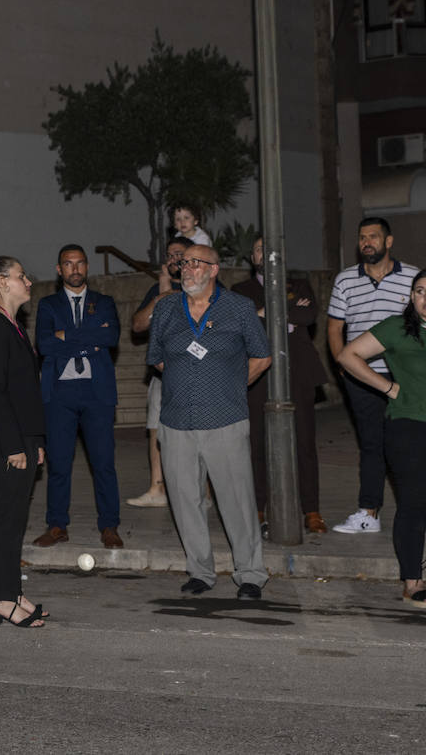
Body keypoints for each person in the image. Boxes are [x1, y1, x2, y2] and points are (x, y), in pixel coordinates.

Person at [147, 244, 270, 600]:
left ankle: (250, 574)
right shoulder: (167, 307)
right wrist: (187, 383)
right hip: (176, 421)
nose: (187, 269)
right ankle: (200, 571)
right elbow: (156, 358)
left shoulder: (239, 308)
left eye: (195, 264)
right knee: (185, 501)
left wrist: (227, 385)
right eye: (184, 264)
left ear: (214, 270)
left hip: (225, 419)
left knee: (237, 501)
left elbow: (261, 357)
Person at [337, 268, 426, 607]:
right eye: (420, 291)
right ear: (411, 297)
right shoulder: (398, 328)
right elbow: (348, 355)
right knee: (414, 505)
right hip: (410, 428)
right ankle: (412, 581)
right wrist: (388, 387)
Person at [327, 217, 419, 534]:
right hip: (362, 378)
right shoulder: (345, 280)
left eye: (374, 237)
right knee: (371, 444)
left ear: (388, 241)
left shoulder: (411, 278)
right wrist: (343, 366)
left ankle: (418, 510)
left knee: (407, 443)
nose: (367, 242)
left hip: (404, 378)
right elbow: (335, 327)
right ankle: (369, 512)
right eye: (363, 237)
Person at [232, 236, 328, 534]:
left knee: (304, 443)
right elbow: (243, 322)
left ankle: (311, 511)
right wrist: (285, 314)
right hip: (257, 373)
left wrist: (263, 313)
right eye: (259, 248)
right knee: (255, 444)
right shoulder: (240, 291)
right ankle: (258, 510)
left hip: (297, 371)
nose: (264, 253)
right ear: (253, 256)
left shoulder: (299, 285)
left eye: (269, 248)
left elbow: (308, 314)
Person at [0, 256, 46, 626]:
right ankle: (1, 599)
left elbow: (24, 392)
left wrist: (35, 440)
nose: (28, 281)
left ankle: (12, 591)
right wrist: (16, 446)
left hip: (19, 436)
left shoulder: (12, 327)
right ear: (2, 282)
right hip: (2, 438)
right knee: (7, 519)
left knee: (16, 518)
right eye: (21, 276)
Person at [33, 244, 123, 549]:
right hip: (60, 392)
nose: (75, 269)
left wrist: (66, 336)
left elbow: (110, 337)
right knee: (59, 463)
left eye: (80, 263)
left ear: (87, 267)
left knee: (103, 462)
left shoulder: (104, 302)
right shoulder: (47, 304)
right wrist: (88, 336)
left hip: (96, 391)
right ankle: (57, 525)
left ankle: (109, 525)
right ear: (59, 270)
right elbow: (44, 344)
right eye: (68, 264)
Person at [127, 235, 195, 507]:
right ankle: (157, 488)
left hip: (197, 373)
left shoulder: (206, 286)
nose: (174, 258)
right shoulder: (157, 290)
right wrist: (161, 296)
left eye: (180, 253)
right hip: (162, 374)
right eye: (170, 254)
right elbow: (138, 325)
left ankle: (205, 490)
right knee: (156, 428)